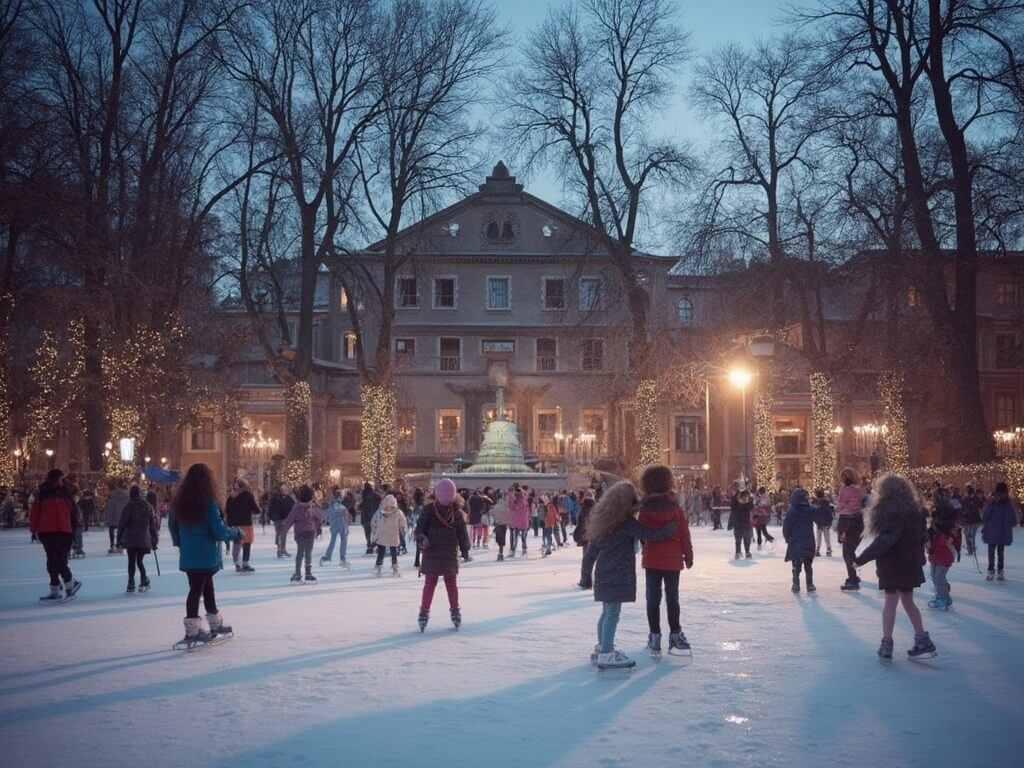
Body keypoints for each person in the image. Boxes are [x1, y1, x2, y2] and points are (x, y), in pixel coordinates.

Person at [581, 480, 677, 670]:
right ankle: (607, 653)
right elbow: (649, 534)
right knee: (612, 614)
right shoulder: (625, 524)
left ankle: (602, 648)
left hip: (603, 575)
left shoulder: (605, 523)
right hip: (617, 575)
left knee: (607, 612)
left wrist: (586, 575)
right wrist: (669, 528)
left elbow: (590, 554)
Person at [854, 473, 936, 662]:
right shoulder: (916, 511)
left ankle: (887, 643)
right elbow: (923, 537)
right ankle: (922, 638)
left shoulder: (888, 511)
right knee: (907, 600)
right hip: (910, 563)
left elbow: (886, 540)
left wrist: (861, 558)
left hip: (893, 563)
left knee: (890, 601)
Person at [168, 463, 241, 646]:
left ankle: (215, 625)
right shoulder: (209, 503)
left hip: (190, 554)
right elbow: (218, 530)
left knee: (206, 588)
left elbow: (172, 526)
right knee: (197, 590)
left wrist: (180, 543)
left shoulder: (179, 502)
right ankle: (192, 631)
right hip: (205, 554)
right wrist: (237, 533)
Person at [637, 465, 694, 656]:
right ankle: (675, 633)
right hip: (672, 560)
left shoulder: (644, 510)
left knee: (652, 599)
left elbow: (643, 535)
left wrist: (648, 548)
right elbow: (684, 534)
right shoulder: (676, 509)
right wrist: (688, 555)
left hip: (652, 560)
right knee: (672, 598)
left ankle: (654, 636)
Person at [415, 478, 471, 631]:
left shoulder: (454, 513)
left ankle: (427, 612)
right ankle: (449, 612)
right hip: (438, 551)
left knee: (439, 584)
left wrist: (465, 547)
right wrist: (421, 537)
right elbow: (420, 529)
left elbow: (462, 533)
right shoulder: (433, 511)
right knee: (441, 584)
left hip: (443, 552)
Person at [30, 469, 83, 602]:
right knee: (52, 562)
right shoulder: (46, 493)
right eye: (61, 478)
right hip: (53, 531)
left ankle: (69, 583)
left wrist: (35, 529)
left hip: (60, 531)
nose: (62, 480)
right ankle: (59, 588)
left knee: (59, 561)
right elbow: (35, 512)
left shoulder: (63, 492)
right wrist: (34, 529)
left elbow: (73, 513)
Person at [117, 485, 159, 593]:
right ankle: (143, 579)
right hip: (144, 537)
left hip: (131, 537)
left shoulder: (129, 506)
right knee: (139, 561)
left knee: (131, 560)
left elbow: (122, 523)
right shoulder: (148, 506)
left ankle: (131, 583)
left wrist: (119, 538)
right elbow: (152, 525)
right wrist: (154, 539)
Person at [280, 485, 323, 584]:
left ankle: (298, 573)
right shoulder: (312, 507)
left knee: (300, 553)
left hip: (300, 533)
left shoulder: (297, 507)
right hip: (311, 532)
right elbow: (318, 517)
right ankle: (308, 573)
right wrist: (317, 527)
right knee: (308, 553)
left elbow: (290, 519)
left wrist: (284, 528)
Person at [836, 467, 865, 591]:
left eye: (844, 476)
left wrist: (840, 508)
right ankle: (853, 576)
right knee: (849, 551)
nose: (842, 479)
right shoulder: (858, 490)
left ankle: (852, 578)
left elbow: (849, 506)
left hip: (848, 520)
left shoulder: (846, 489)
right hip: (855, 521)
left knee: (847, 552)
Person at [926, 499, 958, 609]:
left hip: (944, 558)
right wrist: (928, 541)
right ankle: (944, 595)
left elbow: (945, 542)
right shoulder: (933, 528)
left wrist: (937, 533)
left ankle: (943, 599)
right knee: (935, 578)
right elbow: (930, 541)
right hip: (934, 556)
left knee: (939, 578)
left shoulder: (949, 530)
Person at [784, 488, 816, 593]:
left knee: (796, 565)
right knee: (808, 565)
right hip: (808, 541)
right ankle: (809, 584)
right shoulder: (810, 510)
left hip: (796, 541)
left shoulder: (792, 511)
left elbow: (787, 526)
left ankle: (796, 583)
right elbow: (820, 516)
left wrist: (787, 537)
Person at [982, 482, 1016, 582]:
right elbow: (985, 516)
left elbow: (1013, 519)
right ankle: (991, 570)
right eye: (1000, 493)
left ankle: (999, 571)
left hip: (1001, 532)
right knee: (993, 552)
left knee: (1000, 552)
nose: (1002, 496)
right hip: (994, 531)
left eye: (1004, 493)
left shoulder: (1008, 504)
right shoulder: (992, 503)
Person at [225, 479, 259, 573]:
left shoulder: (231, 497)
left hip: (234, 524)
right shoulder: (248, 495)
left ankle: (237, 563)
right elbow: (255, 508)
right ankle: (245, 564)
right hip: (246, 523)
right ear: (245, 486)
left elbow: (227, 510)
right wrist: (256, 511)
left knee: (236, 544)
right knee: (246, 544)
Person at [371, 493, 407, 576]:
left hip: (382, 534)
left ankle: (379, 565)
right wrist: (401, 528)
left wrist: (374, 530)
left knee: (381, 550)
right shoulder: (398, 512)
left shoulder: (380, 512)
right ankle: (395, 566)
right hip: (393, 534)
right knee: (393, 550)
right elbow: (403, 522)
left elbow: (373, 521)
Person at [321, 486, 351, 568]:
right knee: (342, 541)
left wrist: (324, 519)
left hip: (335, 524)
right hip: (341, 524)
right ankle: (341, 558)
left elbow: (326, 513)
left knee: (334, 541)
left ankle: (329, 556)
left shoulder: (332, 503)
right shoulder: (338, 504)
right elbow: (344, 513)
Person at [268, 483, 294, 558]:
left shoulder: (288, 497)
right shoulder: (276, 498)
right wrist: (271, 517)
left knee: (282, 534)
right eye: (285, 490)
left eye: (287, 490)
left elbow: (292, 505)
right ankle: (280, 549)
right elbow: (271, 507)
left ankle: (282, 549)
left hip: (285, 518)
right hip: (278, 518)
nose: (287, 491)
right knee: (281, 534)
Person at [105, 479, 130, 554]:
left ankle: (112, 544)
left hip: (113, 515)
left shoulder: (111, 494)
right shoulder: (127, 494)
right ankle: (120, 543)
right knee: (122, 530)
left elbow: (108, 504)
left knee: (112, 529)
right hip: (122, 516)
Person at [728, 489, 754, 559]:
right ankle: (739, 552)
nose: (746, 498)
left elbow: (751, 505)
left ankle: (745, 552)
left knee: (745, 540)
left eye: (747, 497)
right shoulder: (737, 504)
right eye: (745, 497)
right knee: (739, 540)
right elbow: (732, 505)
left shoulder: (748, 504)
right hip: (739, 524)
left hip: (745, 524)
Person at [508, 483, 530, 558]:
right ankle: (524, 550)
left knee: (516, 537)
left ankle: (514, 551)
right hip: (523, 521)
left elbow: (511, 508)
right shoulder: (524, 499)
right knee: (523, 537)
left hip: (516, 521)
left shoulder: (516, 500)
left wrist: (511, 495)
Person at [960, 484, 982, 557]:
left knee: (970, 535)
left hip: (971, 520)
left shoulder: (972, 499)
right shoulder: (967, 499)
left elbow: (967, 508)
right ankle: (970, 548)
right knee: (969, 535)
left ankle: (971, 548)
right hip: (970, 520)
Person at [360, 482, 381, 555]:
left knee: (368, 532)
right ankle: (376, 545)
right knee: (374, 532)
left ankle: (370, 546)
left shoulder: (364, 494)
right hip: (373, 516)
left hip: (367, 516)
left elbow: (363, 505)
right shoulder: (376, 496)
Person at [490, 490, 511, 561]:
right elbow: (508, 515)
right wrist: (508, 522)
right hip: (503, 524)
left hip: (498, 524)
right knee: (502, 539)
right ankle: (500, 553)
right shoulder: (506, 506)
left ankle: (500, 553)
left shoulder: (496, 506)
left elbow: (491, 513)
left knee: (499, 539)